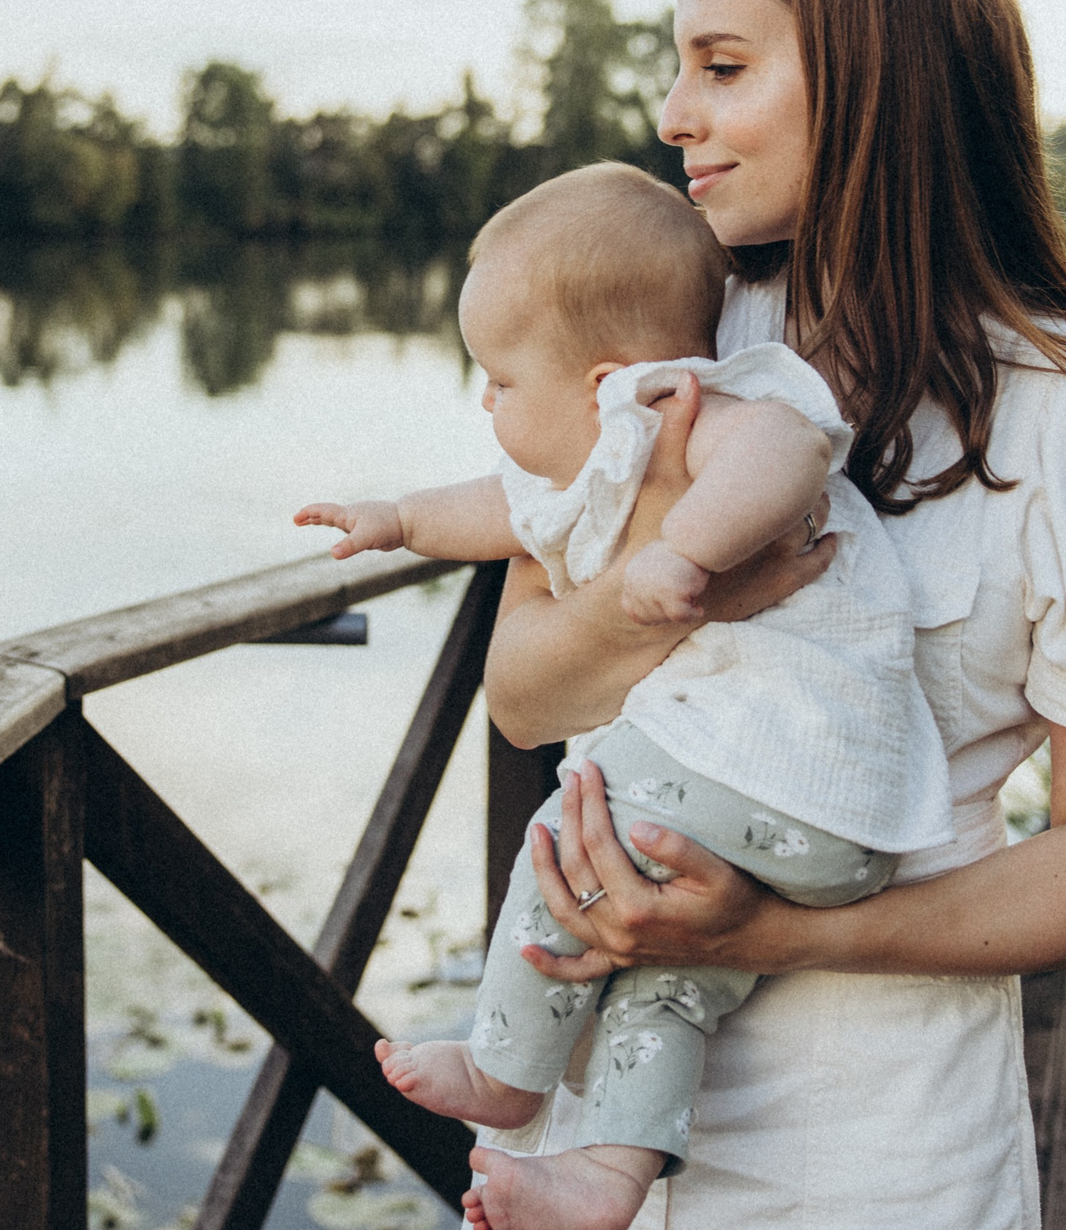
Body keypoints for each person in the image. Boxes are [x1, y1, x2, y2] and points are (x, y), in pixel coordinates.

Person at [467, 0, 1066, 1230]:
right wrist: (682, 587)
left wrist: (774, 933)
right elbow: (523, 691)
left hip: (878, 1152)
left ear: (878, 79)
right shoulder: (673, 339)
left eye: (725, 65)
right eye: (679, 64)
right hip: (587, 1129)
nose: (672, 113)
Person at [295, 160, 952, 1229]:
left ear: (604, 377)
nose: (485, 400)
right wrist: (396, 518)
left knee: (573, 821)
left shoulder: (686, 404)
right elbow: (491, 507)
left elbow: (783, 453)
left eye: (501, 380)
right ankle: (607, 1175)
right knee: (666, 979)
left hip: (785, 767)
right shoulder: (590, 464)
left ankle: (511, 1073)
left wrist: (680, 558)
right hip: (796, 827)